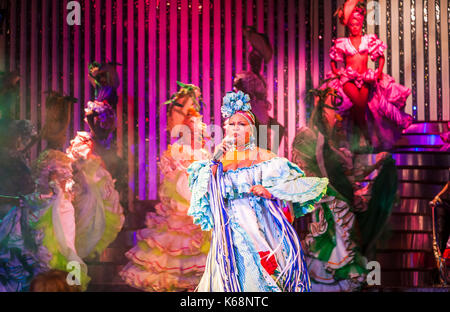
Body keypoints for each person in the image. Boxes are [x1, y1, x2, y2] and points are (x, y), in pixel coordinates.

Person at [187, 91, 328, 292]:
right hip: (229, 230)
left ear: (251, 128)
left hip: (257, 224)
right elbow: (207, 190)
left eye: (242, 124)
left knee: (260, 274)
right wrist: (216, 159)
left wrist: (268, 191)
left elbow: (290, 186)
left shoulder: (264, 157)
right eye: (232, 123)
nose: (236, 128)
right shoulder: (220, 159)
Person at [120, 82, 211, 291]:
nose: (178, 115)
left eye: (185, 109)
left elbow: (191, 188)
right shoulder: (179, 149)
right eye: (176, 109)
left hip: (192, 218)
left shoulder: (192, 150)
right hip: (178, 218)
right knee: (175, 273)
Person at [323, 0, 413, 151]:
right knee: (357, 103)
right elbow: (333, 59)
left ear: (361, 23)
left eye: (357, 24)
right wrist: (337, 72)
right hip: (348, 78)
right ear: (348, 25)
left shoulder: (368, 40)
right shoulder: (342, 42)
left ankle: (360, 138)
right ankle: (365, 136)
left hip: (365, 77)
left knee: (361, 105)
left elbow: (381, 57)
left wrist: (378, 71)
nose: (355, 27)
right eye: (352, 24)